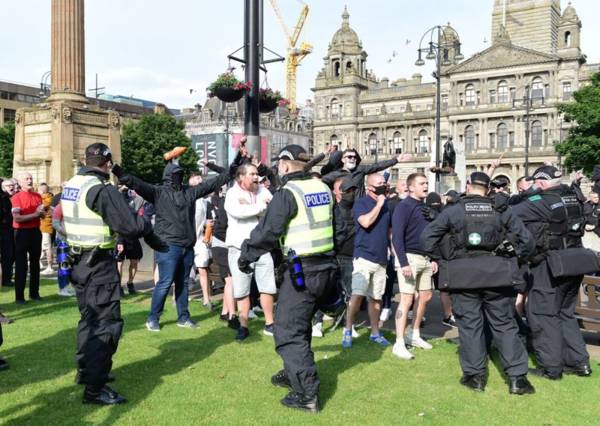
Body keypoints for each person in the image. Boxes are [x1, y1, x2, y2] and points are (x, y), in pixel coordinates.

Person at [238, 145, 345, 413]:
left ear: (285, 165)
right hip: (327, 268)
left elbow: (267, 231)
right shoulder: (323, 189)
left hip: (301, 272)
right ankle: (292, 372)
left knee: (288, 330)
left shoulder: (288, 193)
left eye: (279, 164)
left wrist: (246, 256)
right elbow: (341, 228)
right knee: (302, 324)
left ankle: (307, 393)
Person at [61, 143, 167, 405]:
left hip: (80, 262)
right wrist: (146, 225)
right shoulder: (101, 189)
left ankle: (87, 372)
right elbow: (129, 225)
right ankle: (95, 389)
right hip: (98, 265)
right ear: (107, 163)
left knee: (89, 321)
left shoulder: (73, 184)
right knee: (106, 325)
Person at [421, 172, 536, 394]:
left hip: (464, 277)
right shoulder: (502, 211)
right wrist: (512, 255)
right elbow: (528, 242)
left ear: (467, 186)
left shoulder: (453, 211)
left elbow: (426, 240)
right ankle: (517, 379)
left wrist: (446, 258)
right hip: (498, 275)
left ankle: (476, 378)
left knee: (470, 326)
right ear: (489, 189)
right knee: (504, 325)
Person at [113, 147, 241, 332]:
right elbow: (135, 182)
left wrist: (235, 163)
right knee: (165, 282)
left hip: (186, 245)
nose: (179, 178)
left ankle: (183, 317)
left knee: (183, 283)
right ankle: (153, 318)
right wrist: (117, 169)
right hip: (167, 246)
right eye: (176, 175)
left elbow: (215, 182)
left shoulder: (189, 192)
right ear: (168, 177)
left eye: (180, 175)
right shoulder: (157, 192)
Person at [511, 165, 592, 380]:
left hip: (550, 264)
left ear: (542, 183)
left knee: (542, 314)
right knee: (565, 314)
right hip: (576, 260)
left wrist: (527, 194)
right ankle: (580, 363)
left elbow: (510, 214)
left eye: (536, 183)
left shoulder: (539, 201)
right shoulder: (573, 196)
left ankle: (551, 368)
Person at [225, 163, 275, 340]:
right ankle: (243, 326)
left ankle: (270, 324)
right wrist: (262, 208)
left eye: (257, 174)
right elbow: (239, 212)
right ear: (241, 177)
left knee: (267, 286)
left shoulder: (263, 190)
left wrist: (256, 208)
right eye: (252, 174)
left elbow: (274, 209)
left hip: (262, 246)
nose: (257, 177)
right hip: (239, 248)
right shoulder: (232, 193)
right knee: (242, 290)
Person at [343, 173, 392, 348]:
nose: (384, 185)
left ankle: (375, 333)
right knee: (357, 295)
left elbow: (389, 231)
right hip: (363, 256)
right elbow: (365, 222)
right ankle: (348, 329)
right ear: (370, 187)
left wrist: (392, 251)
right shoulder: (361, 203)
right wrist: (379, 204)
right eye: (379, 183)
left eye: (384, 182)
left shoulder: (387, 205)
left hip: (381, 259)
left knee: (376, 298)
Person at [391, 173, 436, 359]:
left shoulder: (424, 207)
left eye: (426, 183)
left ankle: (414, 334)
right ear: (410, 187)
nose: (425, 186)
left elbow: (430, 235)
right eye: (421, 183)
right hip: (409, 258)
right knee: (407, 299)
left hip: (425, 257)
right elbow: (397, 237)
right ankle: (399, 342)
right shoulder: (404, 206)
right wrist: (403, 262)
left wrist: (434, 258)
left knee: (425, 296)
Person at [321, 148, 410, 197]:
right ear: (343, 159)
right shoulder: (335, 175)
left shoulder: (360, 169)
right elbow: (319, 182)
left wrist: (396, 160)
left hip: (359, 207)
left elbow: (377, 166)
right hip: (344, 212)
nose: (352, 159)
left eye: (354, 157)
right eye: (349, 157)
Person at [11, 172, 44, 304]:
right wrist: (36, 214)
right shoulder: (16, 197)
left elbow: (40, 215)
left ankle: (34, 294)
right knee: (21, 265)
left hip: (35, 231)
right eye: (26, 179)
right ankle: (19, 297)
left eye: (30, 178)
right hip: (21, 232)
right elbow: (17, 218)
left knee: (35, 263)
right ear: (20, 182)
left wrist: (42, 213)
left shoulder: (37, 196)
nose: (29, 181)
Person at [51, 201, 75, 296]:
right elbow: (55, 223)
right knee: (64, 264)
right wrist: (65, 232)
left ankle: (74, 286)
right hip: (63, 240)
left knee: (75, 265)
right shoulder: (60, 207)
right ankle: (63, 288)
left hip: (76, 241)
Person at [1, 179, 16, 288]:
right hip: (5, 229)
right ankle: (6, 279)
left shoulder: (5, 197)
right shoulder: (4, 197)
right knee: (7, 255)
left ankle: (6, 278)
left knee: (9, 255)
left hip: (7, 230)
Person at [39, 183, 55, 275]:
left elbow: (41, 207)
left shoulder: (47, 199)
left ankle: (50, 267)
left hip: (46, 226)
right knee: (43, 247)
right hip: (42, 226)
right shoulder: (47, 198)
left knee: (47, 247)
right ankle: (41, 263)